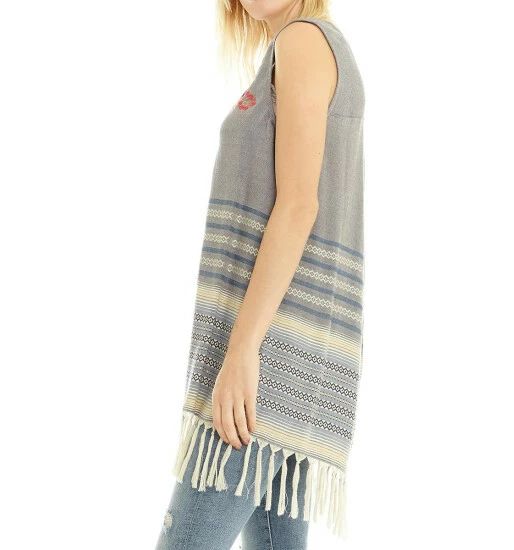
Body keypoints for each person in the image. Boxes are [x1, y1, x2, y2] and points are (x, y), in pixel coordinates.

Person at [155, 2, 365, 549]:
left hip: (269, 353)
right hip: (288, 355)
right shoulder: (303, 45)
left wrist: (242, 349)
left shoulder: (303, 40)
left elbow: (298, 205)